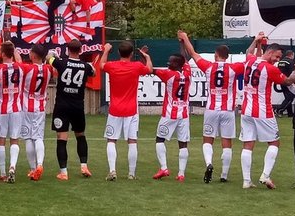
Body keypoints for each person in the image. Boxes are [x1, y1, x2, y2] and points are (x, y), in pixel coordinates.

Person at [179, 33, 243, 184]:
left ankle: (209, 164)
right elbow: (251, 61)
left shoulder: (208, 66)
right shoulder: (234, 68)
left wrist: (185, 38)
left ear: (216, 55)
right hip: (227, 110)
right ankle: (224, 175)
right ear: (227, 56)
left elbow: (193, 53)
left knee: (208, 140)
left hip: (211, 109)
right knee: (227, 142)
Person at [50, 39, 104, 181]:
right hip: (77, 106)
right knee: (81, 135)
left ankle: (64, 172)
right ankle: (84, 166)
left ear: (68, 50)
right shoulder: (86, 66)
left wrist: (53, 54)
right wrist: (89, 66)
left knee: (62, 139)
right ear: (80, 51)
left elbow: (49, 59)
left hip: (62, 106)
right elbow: (92, 73)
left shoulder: (61, 62)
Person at [240, 33, 288, 190]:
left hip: (246, 109)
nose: (277, 60)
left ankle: (246, 181)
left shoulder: (250, 61)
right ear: (270, 52)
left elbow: (249, 51)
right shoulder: (269, 68)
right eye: (277, 56)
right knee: (274, 142)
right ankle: (265, 175)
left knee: (248, 144)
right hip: (263, 110)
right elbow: (287, 81)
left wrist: (256, 41)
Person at [103, 41, 154, 180]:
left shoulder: (112, 66)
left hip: (115, 109)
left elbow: (101, 65)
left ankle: (112, 170)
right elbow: (149, 69)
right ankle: (131, 174)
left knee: (111, 140)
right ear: (132, 54)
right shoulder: (136, 66)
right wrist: (146, 56)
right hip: (131, 109)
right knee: (132, 141)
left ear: (119, 53)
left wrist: (106, 50)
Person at [13, 44, 53, 181]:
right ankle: (40, 164)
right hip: (40, 107)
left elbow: (18, 62)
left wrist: (13, 49)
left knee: (28, 138)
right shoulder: (49, 69)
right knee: (38, 137)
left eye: (30, 52)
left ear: (34, 55)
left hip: (26, 107)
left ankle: (32, 168)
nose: (29, 53)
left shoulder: (27, 68)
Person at [151, 53, 193, 182]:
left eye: (171, 62)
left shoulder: (168, 74)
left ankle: (164, 168)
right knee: (183, 143)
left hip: (169, 114)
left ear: (177, 64)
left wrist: (145, 56)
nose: (168, 64)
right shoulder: (188, 73)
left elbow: (150, 70)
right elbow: (185, 59)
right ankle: (181, 174)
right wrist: (182, 43)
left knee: (159, 139)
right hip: (184, 115)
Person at [0, 41, 22, 182]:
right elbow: (20, 60)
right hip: (16, 109)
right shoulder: (21, 68)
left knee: (1, 140)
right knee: (15, 139)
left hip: (1, 109)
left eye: (0, 51)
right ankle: (12, 166)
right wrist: (14, 50)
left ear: (3, 54)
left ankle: (3, 173)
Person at [273, 50, 295, 117]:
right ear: (291, 55)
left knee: (287, 97)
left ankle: (290, 113)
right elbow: (292, 73)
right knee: (290, 98)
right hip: (288, 81)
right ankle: (278, 109)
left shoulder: (280, 62)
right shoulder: (290, 62)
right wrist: (294, 82)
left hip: (281, 81)